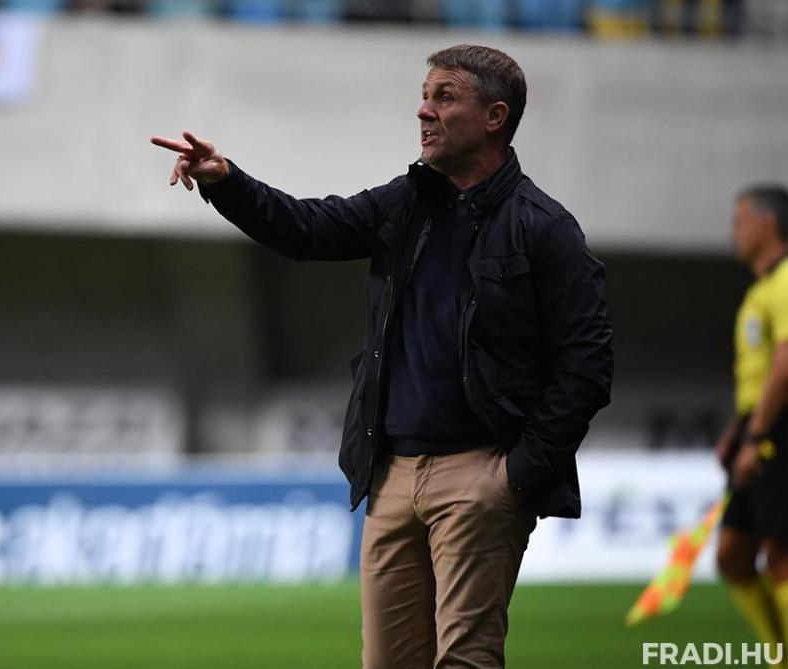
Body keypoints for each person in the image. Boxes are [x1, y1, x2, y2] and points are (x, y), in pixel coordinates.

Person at [151, 44, 612, 668]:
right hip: (392, 475)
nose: (424, 111)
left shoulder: (546, 228)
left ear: (495, 117)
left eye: (444, 97)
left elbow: (587, 365)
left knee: (466, 659)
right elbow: (306, 229)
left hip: (480, 477)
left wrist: (515, 476)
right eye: (424, 96)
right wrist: (226, 181)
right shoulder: (406, 202)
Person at [715, 185, 788, 668]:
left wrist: (757, 435)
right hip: (758, 429)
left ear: (767, 223)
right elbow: (760, 374)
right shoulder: (762, 288)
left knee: (780, 554)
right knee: (732, 554)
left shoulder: (785, 280)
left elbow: (785, 363)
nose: (734, 231)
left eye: (741, 220)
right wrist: (738, 430)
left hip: (779, 431)